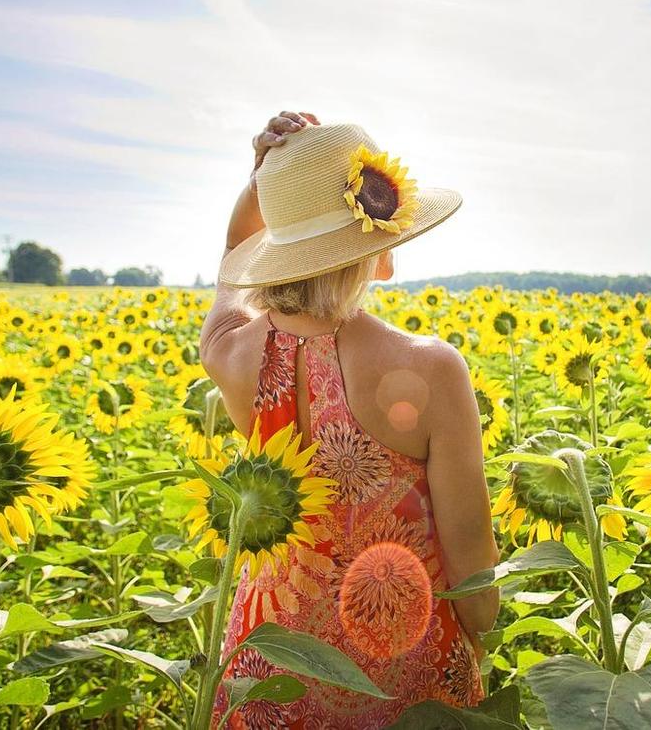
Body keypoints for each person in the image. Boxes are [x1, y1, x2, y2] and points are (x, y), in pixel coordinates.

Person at [199, 111, 501, 728]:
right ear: (377, 252)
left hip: (270, 669)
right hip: (403, 668)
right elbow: (470, 550)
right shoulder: (432, 369)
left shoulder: (232, 354)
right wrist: (482, 650)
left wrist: (264, 185)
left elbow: (231, 269)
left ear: (277, 251)